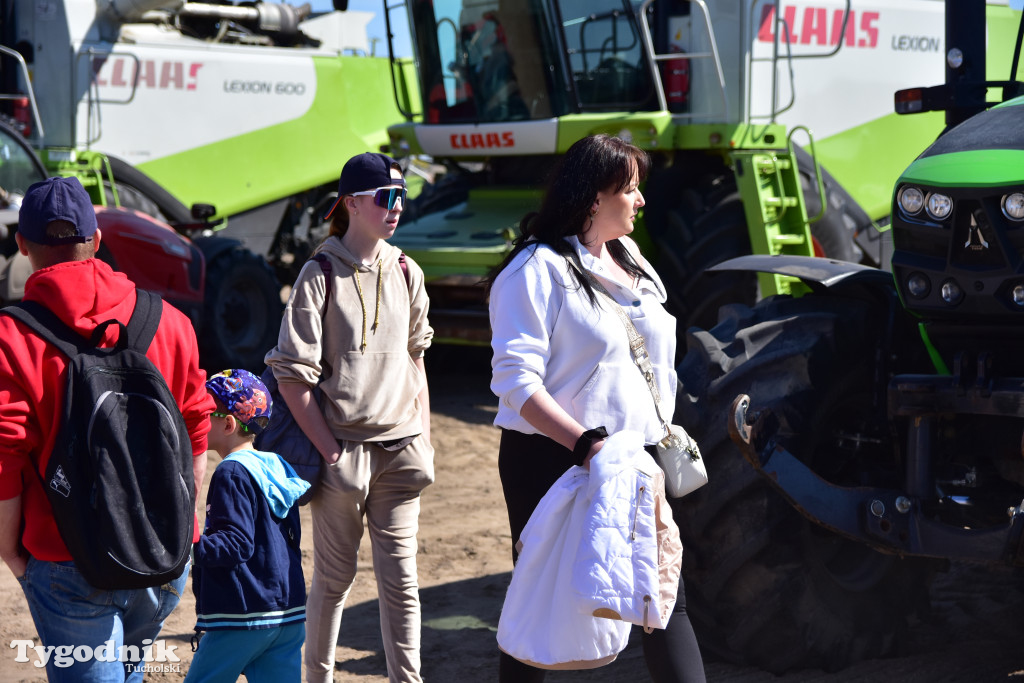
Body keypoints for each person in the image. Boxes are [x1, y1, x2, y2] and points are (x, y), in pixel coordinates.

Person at [487, 133, 707, 682]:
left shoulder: (631, 259)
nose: (640, 200)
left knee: (663, 597)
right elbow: (515, 382)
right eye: (630, 188)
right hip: (554, 459)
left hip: (634, 459)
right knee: (541, 599)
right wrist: (584, 445)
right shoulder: (533, 271)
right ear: (592, 197)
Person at [0, 175, 214, 681]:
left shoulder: (12, 336)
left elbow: (5, 457)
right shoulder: (171, 321)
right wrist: (180, 528)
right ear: (97, 240)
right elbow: (196, 432)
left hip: (66, 556)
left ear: (22, 245)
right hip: (162, 552)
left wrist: (10, 550)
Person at [264, 152, 434, 683]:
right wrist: (331, 451)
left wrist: (423, 435)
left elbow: (416, 357)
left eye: (402, 196)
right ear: (353, 203)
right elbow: (292, 376)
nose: (396, 207)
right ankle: (318, 678)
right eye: (386, 197)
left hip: (402, 450)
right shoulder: (319, 273)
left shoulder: (407, 269)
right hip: (344, 454)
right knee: (334, 581)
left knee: (402, 582)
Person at [185, 369, 309, 683]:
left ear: (227, 424)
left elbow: (236, 544)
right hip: (288, 612)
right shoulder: (277, 466)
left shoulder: (231, 472)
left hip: (243, 616)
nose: (197, 417)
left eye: (204, 412)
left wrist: (186, 547)